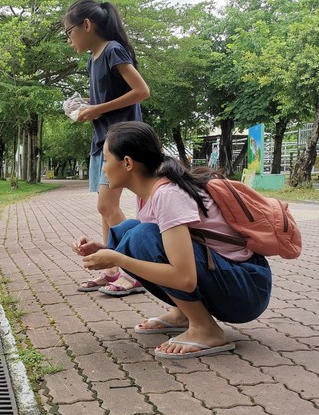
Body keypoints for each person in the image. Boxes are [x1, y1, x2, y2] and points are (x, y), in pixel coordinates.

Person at [72, 121, 272, 359]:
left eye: (105, 159)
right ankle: (184, 314)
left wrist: (118, 257)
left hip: (248, 287)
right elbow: (167, 249)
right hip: (231, 278)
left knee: (140, 237)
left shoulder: (167, 194)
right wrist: (105, 251)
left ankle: (205, 330)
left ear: (127, 163)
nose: (102, 168)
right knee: (128, 231)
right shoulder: (150, 193)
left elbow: (184, 279)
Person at [64, 0, 151, 296]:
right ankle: (112, 269)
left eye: (69, 32)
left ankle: (135, 270)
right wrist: (85, 107)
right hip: (102, 140)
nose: (69, 39)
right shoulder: (93, 58)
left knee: (107, 206)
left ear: (87, 25)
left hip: (120, 140)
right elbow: (103, 101)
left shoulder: (113, 49)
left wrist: (97, 108)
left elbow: (141, 91)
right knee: (105, 210)